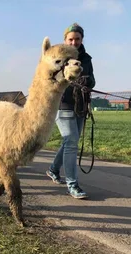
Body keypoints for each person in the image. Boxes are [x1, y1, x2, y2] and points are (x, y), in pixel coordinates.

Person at [46, 23, 96, 199]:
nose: (74, 42)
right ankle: (72, 185)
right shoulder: (59, 58)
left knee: (69, 142)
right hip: (63, 104)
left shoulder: (87, 59)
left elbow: (92, 81)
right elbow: (51, 78)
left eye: (77, 39)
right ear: (65, 40)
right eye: (71, 39)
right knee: (72, 141)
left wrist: (87, 81)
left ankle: (53, 169)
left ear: (82, 39)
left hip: (80, 106)